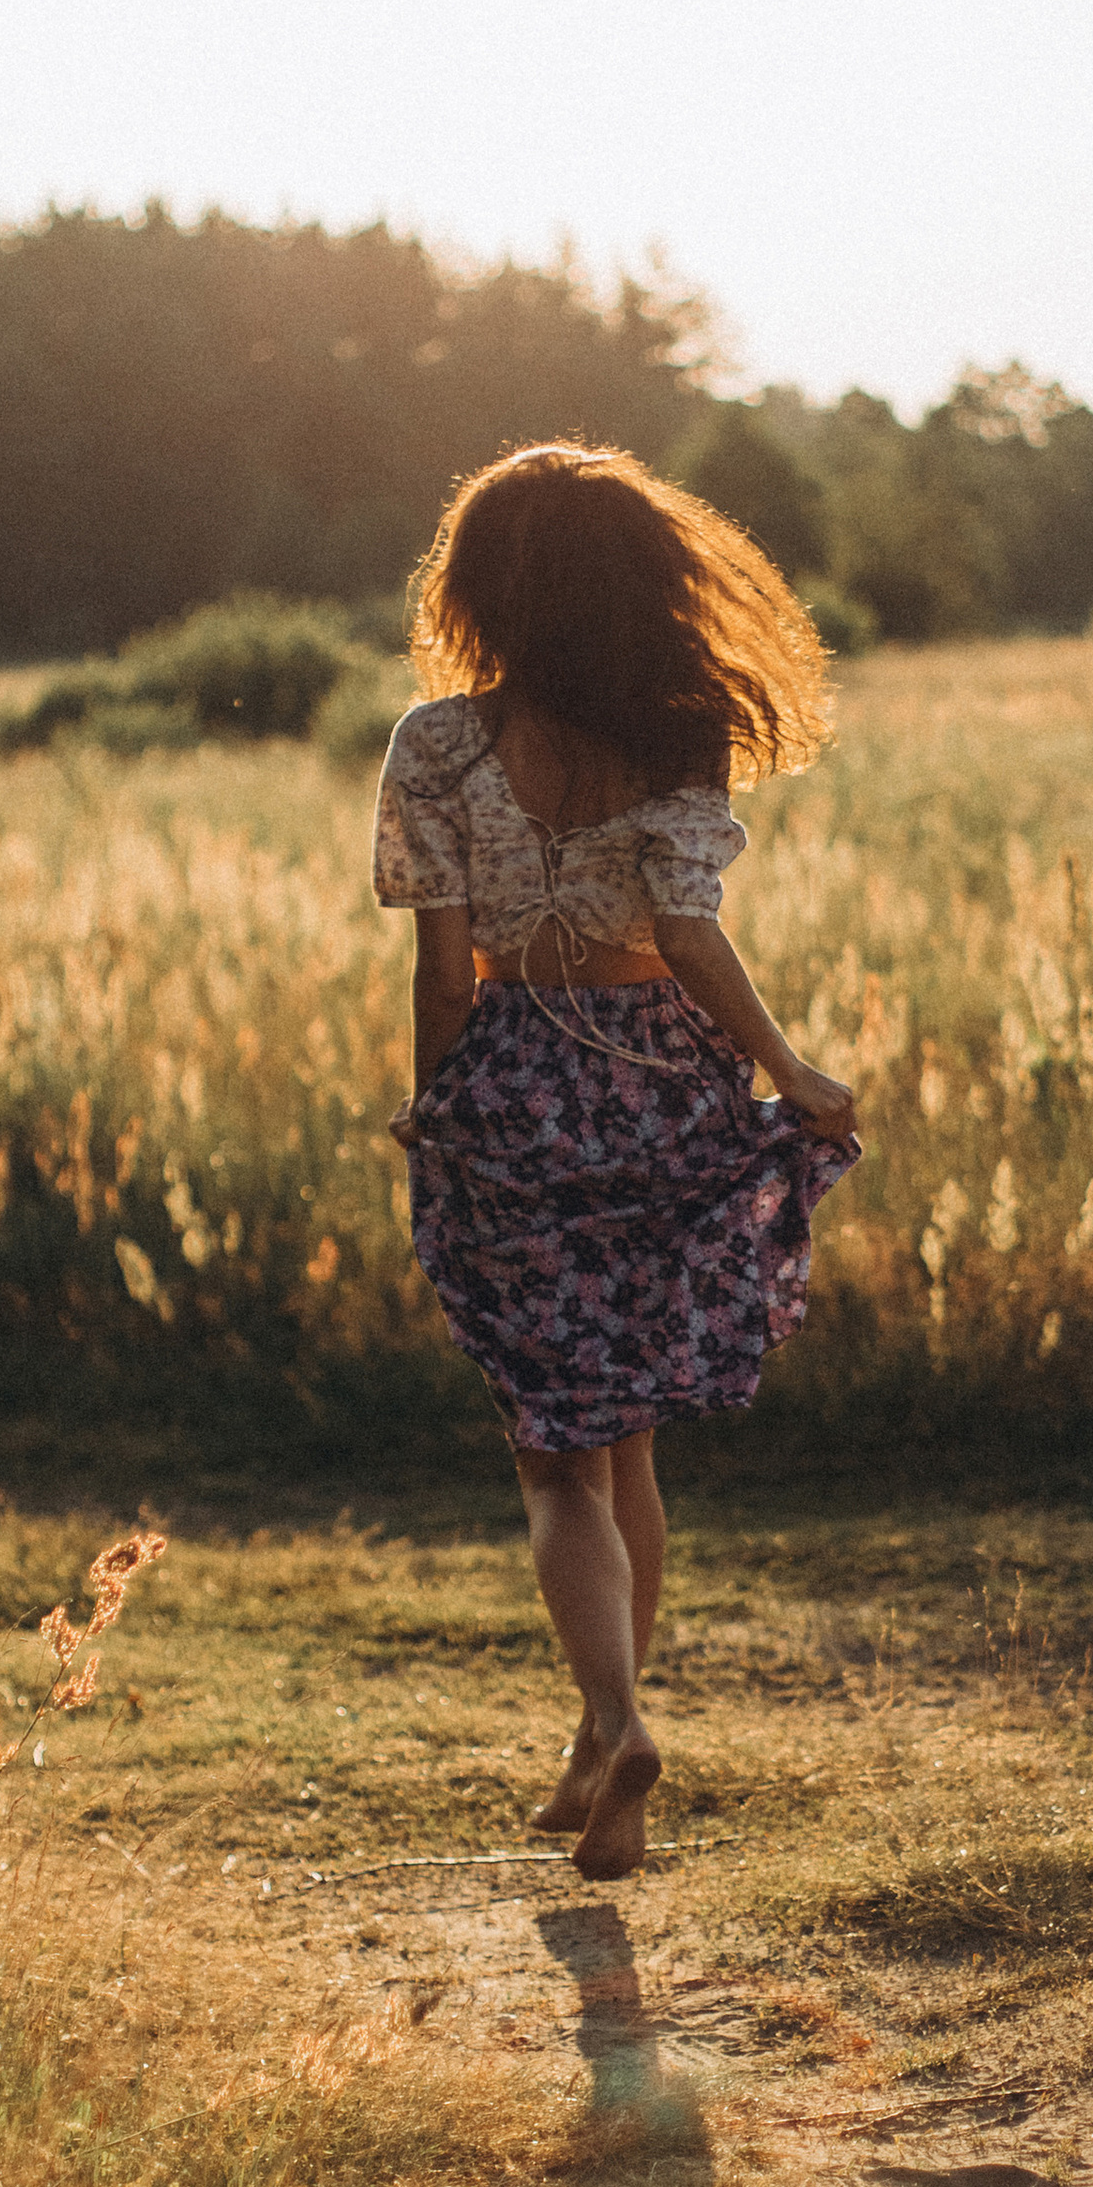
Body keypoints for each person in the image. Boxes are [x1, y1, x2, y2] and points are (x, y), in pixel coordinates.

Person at [372, 441, 861, 1881]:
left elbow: (445, 970)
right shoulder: (678, 732)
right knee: (627, 1432)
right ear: (650, 585)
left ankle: (613, 1721)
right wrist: (791, 1071)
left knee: (553, 1459)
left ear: (483, 591)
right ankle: (603, 1744)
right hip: (663, 1086)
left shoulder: (437, 744)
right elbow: (691, 931)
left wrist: (438, 1100)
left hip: (518, 1083)